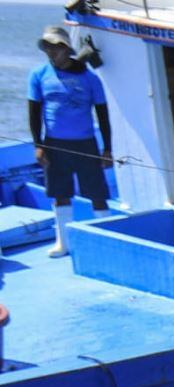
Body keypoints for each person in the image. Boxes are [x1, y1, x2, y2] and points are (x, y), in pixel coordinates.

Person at [27, 24, 111, 259]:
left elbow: (103, 115)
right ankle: (63, 243)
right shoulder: (38, 75)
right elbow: (34, 113)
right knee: (60, 193)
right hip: (54, 144)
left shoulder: (89, 78)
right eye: (47, 48)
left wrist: (107, 149)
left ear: (66, 49)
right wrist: (39, 145)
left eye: (55, 48)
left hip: (86, 143)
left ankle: (105, 243)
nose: (51, 53)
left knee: (97, 194)